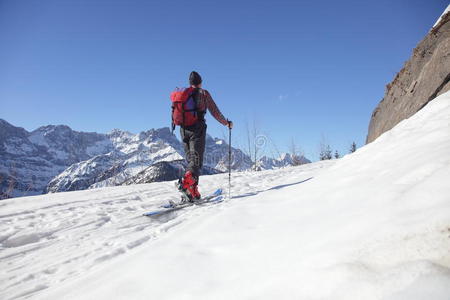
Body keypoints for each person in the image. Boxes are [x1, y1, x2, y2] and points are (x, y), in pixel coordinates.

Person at [179, 71, 232, 200]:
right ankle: (186, 184)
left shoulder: (183, 94)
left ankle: (193, 190)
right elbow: (214, 111)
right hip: (197, 128)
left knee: (191, 159)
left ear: (190, 83)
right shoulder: (203, 93)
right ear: (200, 82)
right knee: (196, 160)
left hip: (183, 129)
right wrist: (226, 123)